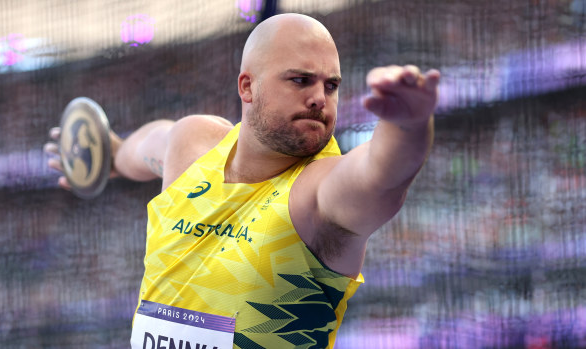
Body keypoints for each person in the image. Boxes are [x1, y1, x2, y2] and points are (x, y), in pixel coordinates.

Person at [46, 13, 440, 349]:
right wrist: (107, 154)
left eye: (331, 85)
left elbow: (383, 174)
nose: (320, 97)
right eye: (301, 80)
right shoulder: (192, 147)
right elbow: (141, 147)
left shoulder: (317, 196)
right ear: (247, 86)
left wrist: (409, 123)